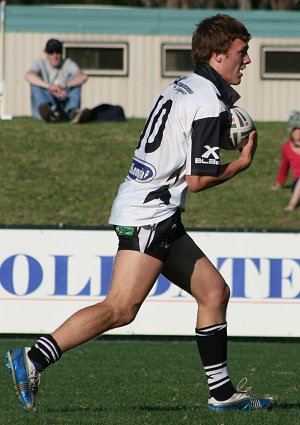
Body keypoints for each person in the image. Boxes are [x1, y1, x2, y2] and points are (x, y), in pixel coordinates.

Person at [5, 14, 275, 413]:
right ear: (219, 54)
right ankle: (33, 357)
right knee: (120, 308)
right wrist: (240, 164)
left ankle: (222, 395)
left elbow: (176, 142)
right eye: (242, 52)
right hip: (151, 213)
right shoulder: (205, 99)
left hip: (152, 207)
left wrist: (216, 137)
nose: (247, 60)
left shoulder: (180, 87)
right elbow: (197, 179)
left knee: (214, 292)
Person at [25, 38, 88, 123]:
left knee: (75, 80)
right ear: (46, 53)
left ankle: (73, 113)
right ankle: (47, 112)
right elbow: (28, 75)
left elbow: (83, 77)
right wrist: (50, 87)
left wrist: (64, 86)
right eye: (51, 52)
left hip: (64, 100)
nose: (55, 56)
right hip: (46, 100)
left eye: (58, 52)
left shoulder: (68, 63)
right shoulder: (39, 63)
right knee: (35, 83)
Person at [271, 111, 300, 211]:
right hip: (297, 183)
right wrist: (279, 184)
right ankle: (292, 204)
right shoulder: (286, 147)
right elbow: (284, 168)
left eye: (299, 129)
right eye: (295, 129)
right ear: (291, 131)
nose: (298, 132)